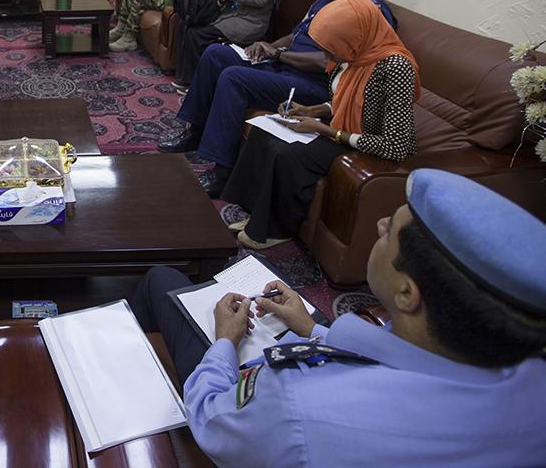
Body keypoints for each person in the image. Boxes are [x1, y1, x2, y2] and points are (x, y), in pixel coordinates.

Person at [130, 169, 546, 467]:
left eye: (390, 230)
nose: (380, 223)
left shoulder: (299, 401)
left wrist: (225, 340)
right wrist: (312, 329)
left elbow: (212, 421)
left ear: (406, 294)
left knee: (161, 280)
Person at [158, 0, 397, 199]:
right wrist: (268, 45)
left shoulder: (372, 12)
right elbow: (295, 36)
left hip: (314, 85)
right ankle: (196, 132)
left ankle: (222, 173)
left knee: (234, 78)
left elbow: (330, 63)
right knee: (216, 54)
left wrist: (279, 55)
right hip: (285, 66)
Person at [223, 0, 419, 249]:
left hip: (367, 143)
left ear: (354, 37)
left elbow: (395, 145)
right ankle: (255, 215)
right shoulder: (353, 54)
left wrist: (326, 130)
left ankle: (275, 230)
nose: (328, 56)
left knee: (288, 154)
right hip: (339, 125)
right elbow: (345, 100)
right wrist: (311, 110)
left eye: (331, 49)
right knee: (264, 132)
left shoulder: (396, 68)